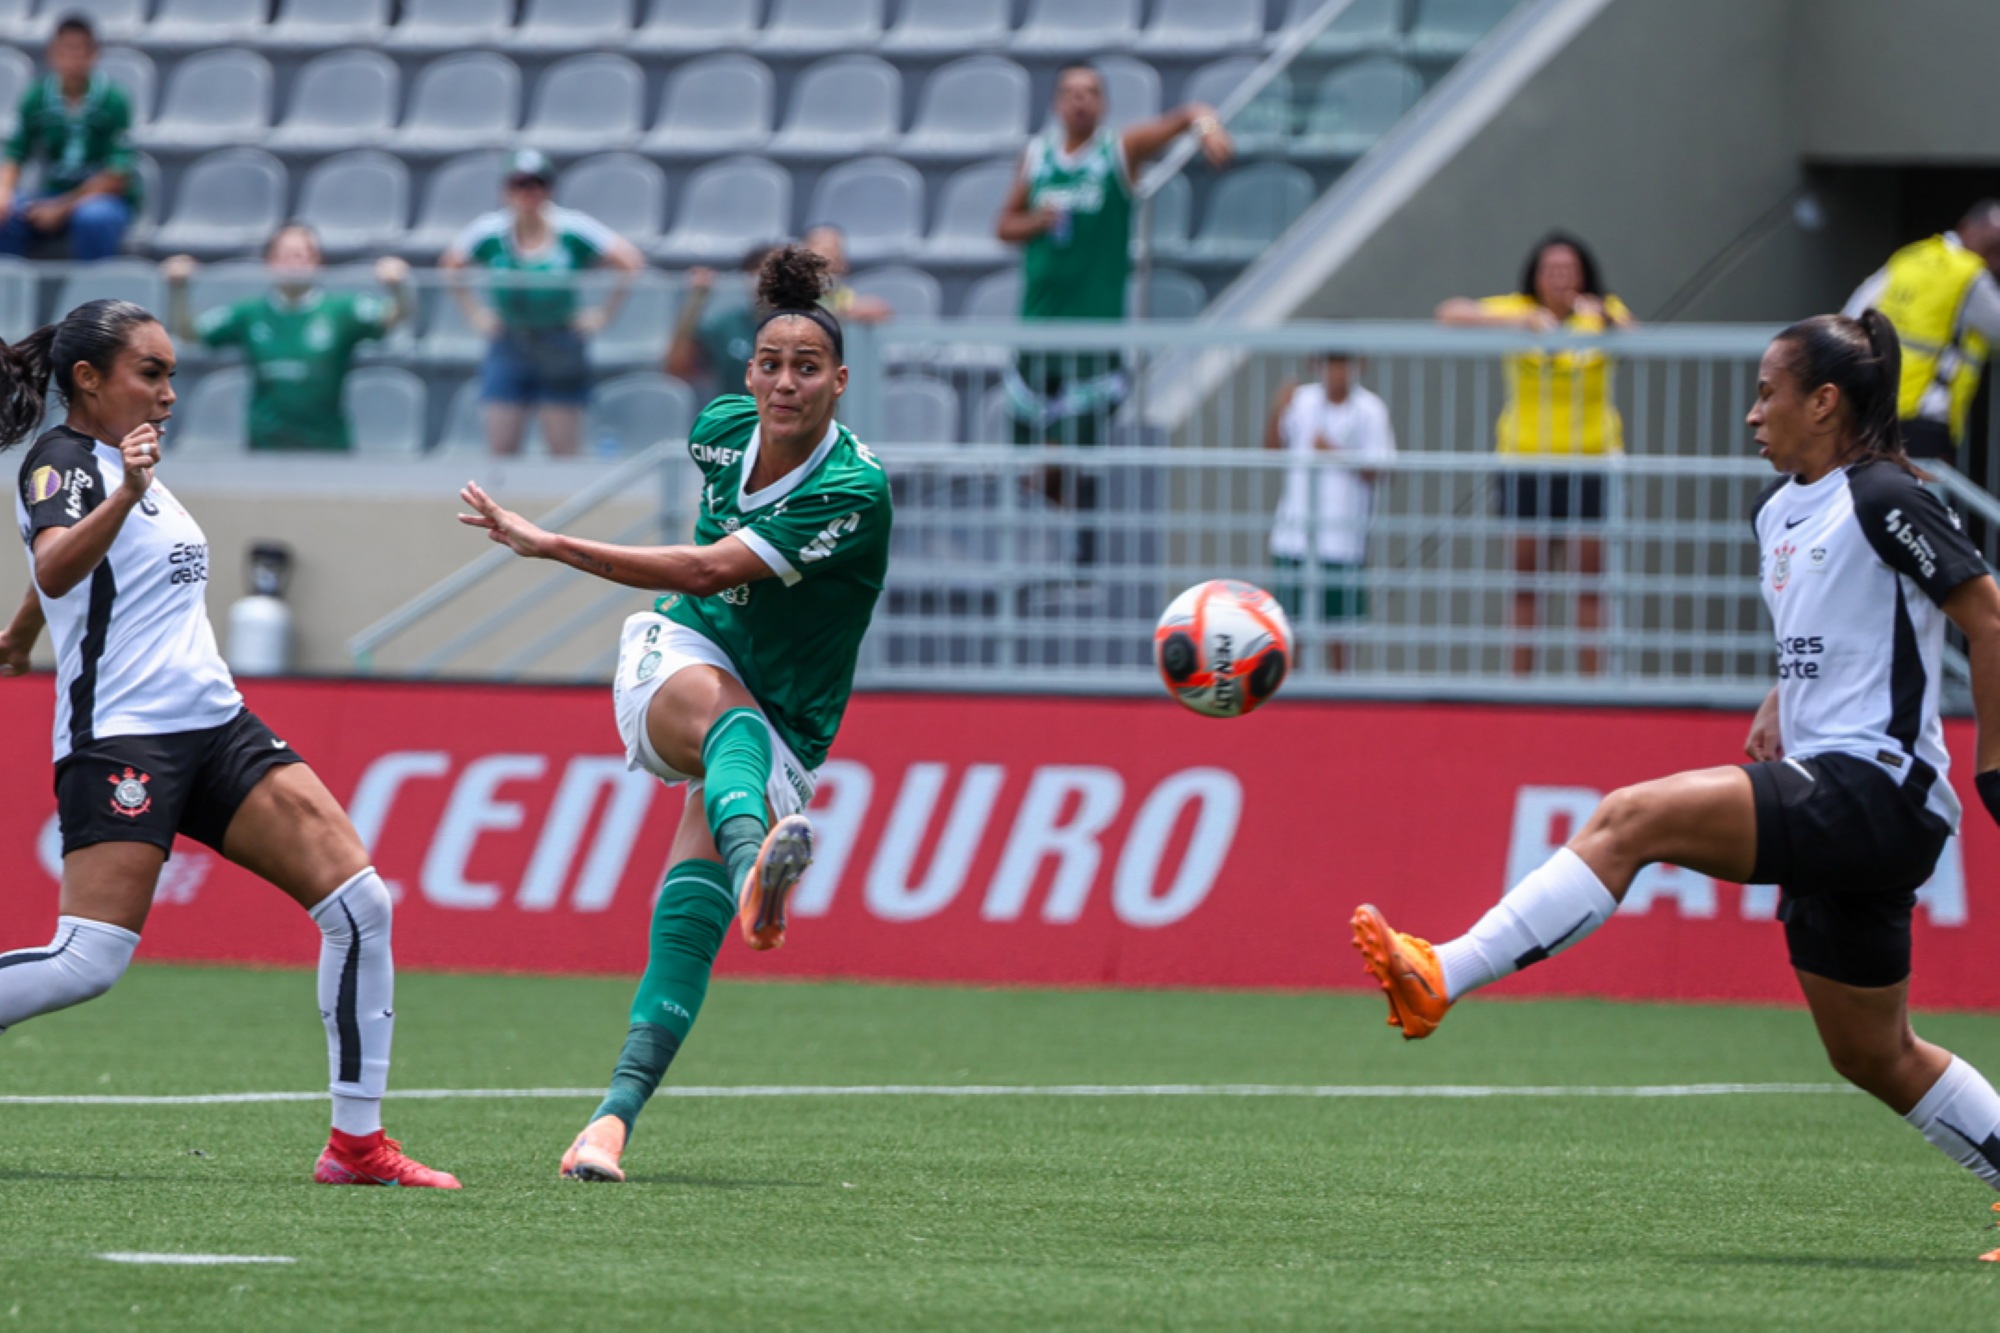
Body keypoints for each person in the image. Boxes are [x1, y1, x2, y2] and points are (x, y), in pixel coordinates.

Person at [1352, 311, 2000, 1263]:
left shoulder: (1885, 492)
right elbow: (1848, 628)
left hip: (1879, 789)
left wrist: (1991, 760)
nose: (1752, 414)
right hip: (1833, 781)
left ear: (1825, 402)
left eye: (1769, 393)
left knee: (1630, 818)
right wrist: (1782, 696)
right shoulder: (1778, 510)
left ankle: (1441, 973)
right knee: (1872, 1051)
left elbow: (1986, 613)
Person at [457, 247, 891, 1183]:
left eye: (807, 367)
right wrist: (554, 544)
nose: (785, 382)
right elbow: (696, 585)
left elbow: (709, 562)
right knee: (728, 730)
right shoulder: (719, 430)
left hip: (791, 717)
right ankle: (757, 865)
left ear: (840, 382)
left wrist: (551, 543)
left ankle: (608, 1123)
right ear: (750, 374)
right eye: (770, 364)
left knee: (688, 925)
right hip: (680, 651)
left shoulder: (854, 489)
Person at [0, 299, 456, 1188]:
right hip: (123, 737)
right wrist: (124, 496)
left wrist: (20, 635)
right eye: (151, 373)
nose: (170, 392)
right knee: (87, 960)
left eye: (172, 374)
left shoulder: (130, 462)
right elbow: (55, 562)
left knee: (360, 904)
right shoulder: (66, 463)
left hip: (215, 723)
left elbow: (76, 581)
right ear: (88, 379)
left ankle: (356, 1146)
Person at [995, 61, 1233, 567]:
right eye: (1071, 92)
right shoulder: (1037, 157)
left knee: (1079, 458)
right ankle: (1054, 546)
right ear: (1057, 102)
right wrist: (1037, 221)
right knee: (1030, 456)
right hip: (1037, 327)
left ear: (1102, 103)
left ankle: (1084, 556)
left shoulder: (1117, 151)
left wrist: (1206, 124)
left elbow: (1183, 116)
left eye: (1090, 92)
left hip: (1095, 332)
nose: (1080, 100)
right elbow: (1004, 225)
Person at [1438, 234, 1636, 676]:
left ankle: (1593, 687)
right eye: (1551, 270)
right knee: (1525, 581)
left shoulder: (1602, 311)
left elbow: (1638, 337)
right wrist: (1517, 323)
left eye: (1569, 270)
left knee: (1590, 582)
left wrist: (1603, 317)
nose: (1560, 278)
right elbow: (1449, 313)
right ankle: (1520, 685)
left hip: (1590, 463)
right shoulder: (1519, 309)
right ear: (1536, 275)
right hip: (1524, 462)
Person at [441, 148, 645, 457]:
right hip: (509, 341)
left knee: (562, 449)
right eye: (519, 184)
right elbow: (451, 264)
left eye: (537, 183)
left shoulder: (573, 228)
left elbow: (629, 261)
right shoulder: (490, 231)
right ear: (506, 190)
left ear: (549, 189)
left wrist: (603, 315)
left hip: (560, 342)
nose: (529, 192)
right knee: (501, 447)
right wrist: (475, 314)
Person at [161, 224, 411, 453]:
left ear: (317, 262)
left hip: (328, 446)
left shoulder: (341, 311)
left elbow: (394, 318)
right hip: (265, 445)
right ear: (270, 261)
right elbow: (190, 334)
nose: (296, 263)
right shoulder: (250, 313)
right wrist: (178, 289)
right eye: (287, 255)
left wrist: (398, 288)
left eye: (303, 255)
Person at [1264, 352, 1396, 672]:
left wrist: (1335, 452)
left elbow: (1382, 469)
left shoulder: (1370, 409)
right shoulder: (1301, 401)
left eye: (1343, 364)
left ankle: (1342, 692)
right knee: (1290, 627)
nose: (1336, 372)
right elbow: (1270, 452)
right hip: (1294, 535)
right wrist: (1277, 410)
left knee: (1342, 630)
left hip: (1344, 540)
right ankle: (1291, 692)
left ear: (1358, 366)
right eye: (1330, 363)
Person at [1843, 200, 2000, 465]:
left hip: (1874, 404)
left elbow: (1852, 313)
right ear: (1966, 228)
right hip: (1925, 412)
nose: (1995, 261)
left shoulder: (1910, 257)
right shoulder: (1969, 273)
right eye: (1992, 248)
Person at [0, 16, 139, 262]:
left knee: (93, 218)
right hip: (54, 191)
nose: (73, 58)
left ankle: (94, 285)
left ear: (94, 54)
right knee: (8, 214)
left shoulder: (114, 100)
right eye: (66, 50)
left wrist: (61, 208)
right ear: (52, 53)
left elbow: (117, 175)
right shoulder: (36, 97)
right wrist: (4, 193)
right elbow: (15, 153)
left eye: (80, 50)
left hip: (102, 200)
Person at [666, 243, 776, 404]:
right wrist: (696, 301)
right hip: (737, 416)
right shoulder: (726, 325)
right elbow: (676, 367)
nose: (765, 280)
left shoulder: (805, 327)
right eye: (756, 271)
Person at [800, 223, 892, 326]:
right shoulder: (793, 288)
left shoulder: (840, 291)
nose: (832, 255)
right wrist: (845, 313)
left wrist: (867, 310)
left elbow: (851, 306)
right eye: (824, 249)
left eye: (837, 249)